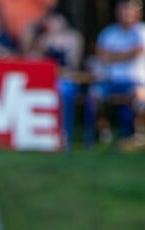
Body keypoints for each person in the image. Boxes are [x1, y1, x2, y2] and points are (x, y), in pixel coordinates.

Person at [85, 0, 145, 150]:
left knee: (136, 95)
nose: (126, 13)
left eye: (130, 10)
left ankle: (134, 134)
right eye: (123, 10)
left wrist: (113, 56)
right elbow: (103, 57)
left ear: (138, 12)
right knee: (93, 94)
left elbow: (138, 52)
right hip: (111, 81)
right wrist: (127, 53)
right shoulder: (108, 32)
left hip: (139, 82)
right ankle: (101, 134)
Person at [24, 10, 83, 150]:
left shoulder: (74, 38)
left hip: (67, 79)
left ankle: (64, 135)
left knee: (64, 92)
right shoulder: (43, 39)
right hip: (46, 81)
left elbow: (74, 64)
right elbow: (32, 59)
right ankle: (37, 135)